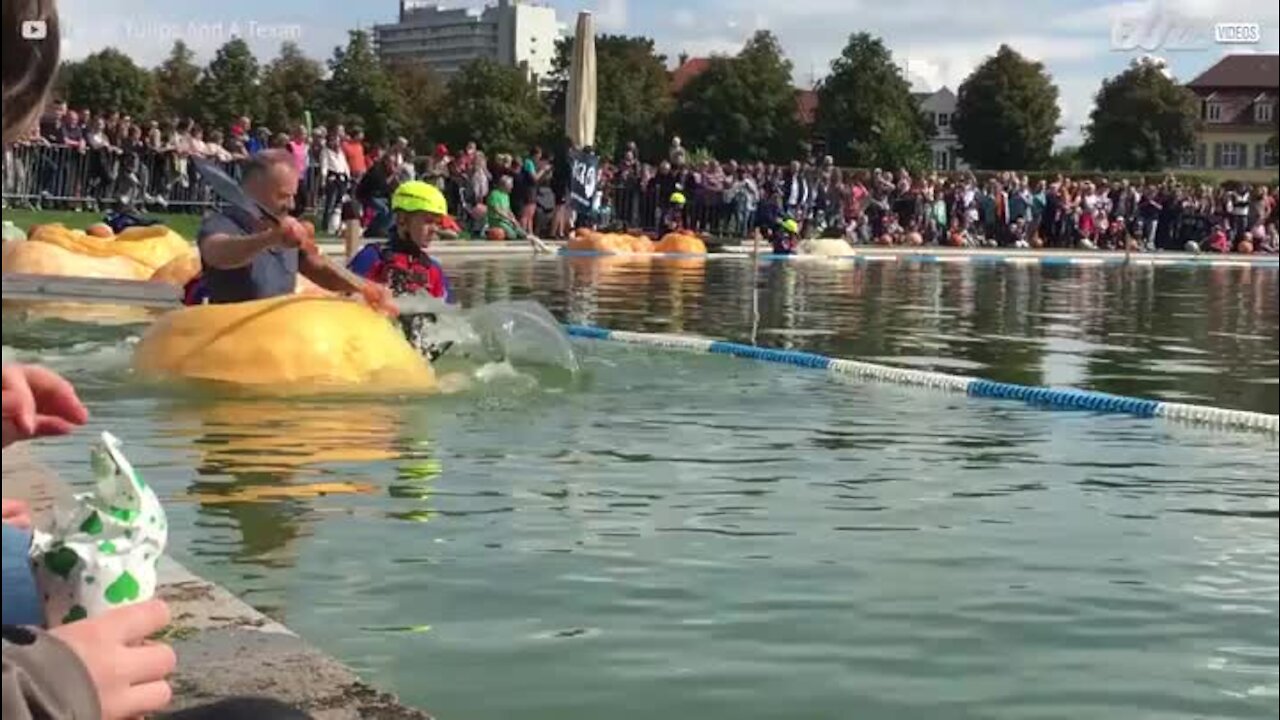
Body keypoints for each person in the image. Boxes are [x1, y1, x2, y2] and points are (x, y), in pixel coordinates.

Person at [193, 149, 393, 311]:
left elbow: (318, 267)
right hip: (231, 342)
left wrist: (364, 287)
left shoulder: (286, 229)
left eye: (292, 195)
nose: (290, 204)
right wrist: (269, 239)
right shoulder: (223, 223)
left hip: (279, 338)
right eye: (283, 196)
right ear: (254, 192)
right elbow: (216, 253)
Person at [348, 181, 455, 358]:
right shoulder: (372, 257)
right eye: (428, 221)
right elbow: (345, 299)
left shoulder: (433, 270)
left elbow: (450, 320)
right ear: (402, 220)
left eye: (437, 223)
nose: (434, 230)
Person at [486, 174, 526, 240]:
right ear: (504, 185)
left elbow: (508, 210)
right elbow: (497, 210)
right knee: (512, 235)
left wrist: (514, 219)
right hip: (497, 221)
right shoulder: (494, 194)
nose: (512, 187)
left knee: (520, 231)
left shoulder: (506, 195)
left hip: (506, 220)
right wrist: (509, 219)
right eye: (510, 185)